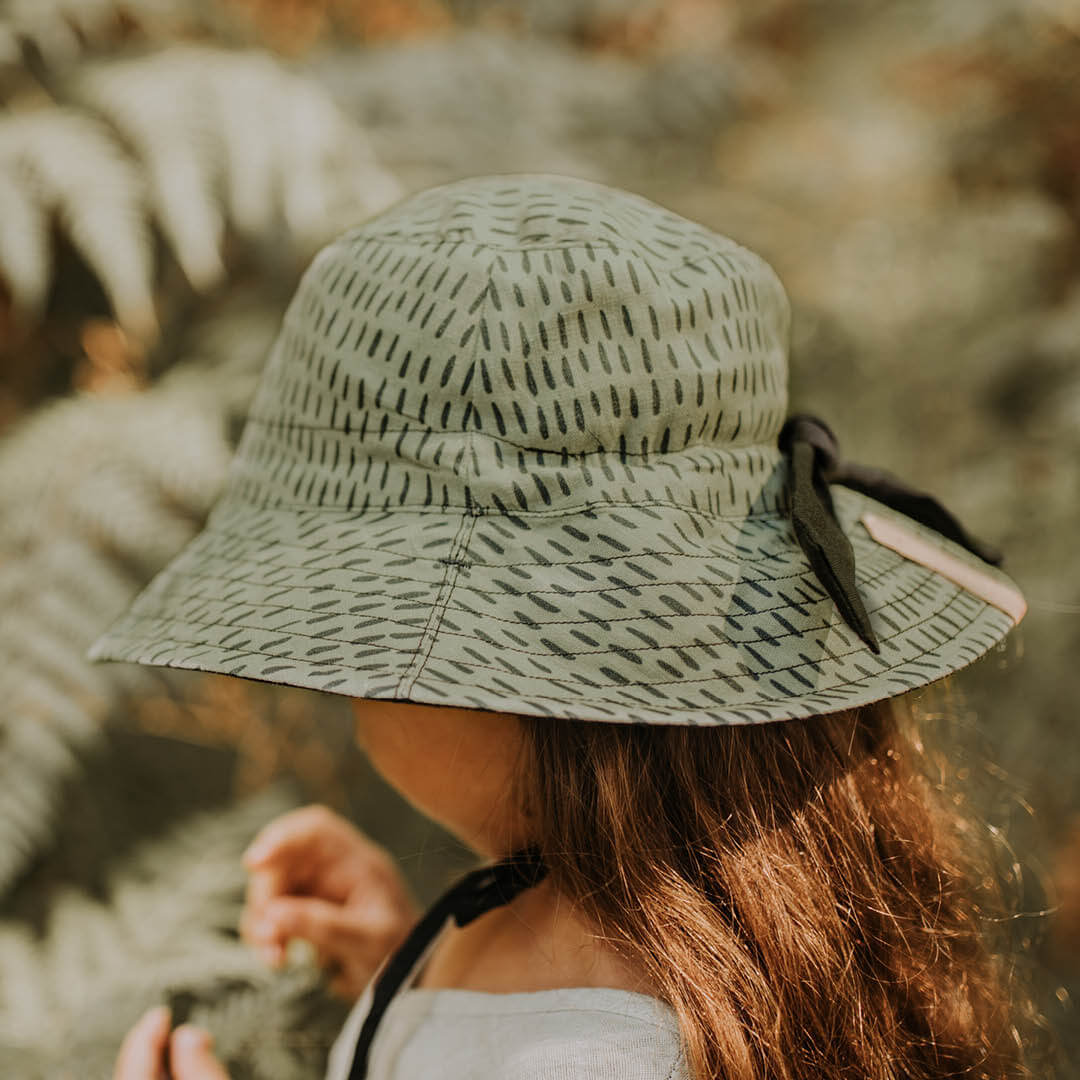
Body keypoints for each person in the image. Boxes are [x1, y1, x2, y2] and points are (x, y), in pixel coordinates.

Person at [96, 174, 1034, 1079]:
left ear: (498, 665)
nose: (337, 683)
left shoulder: (591, 1054)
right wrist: (414, 984)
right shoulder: (710, 959)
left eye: (351, 639)